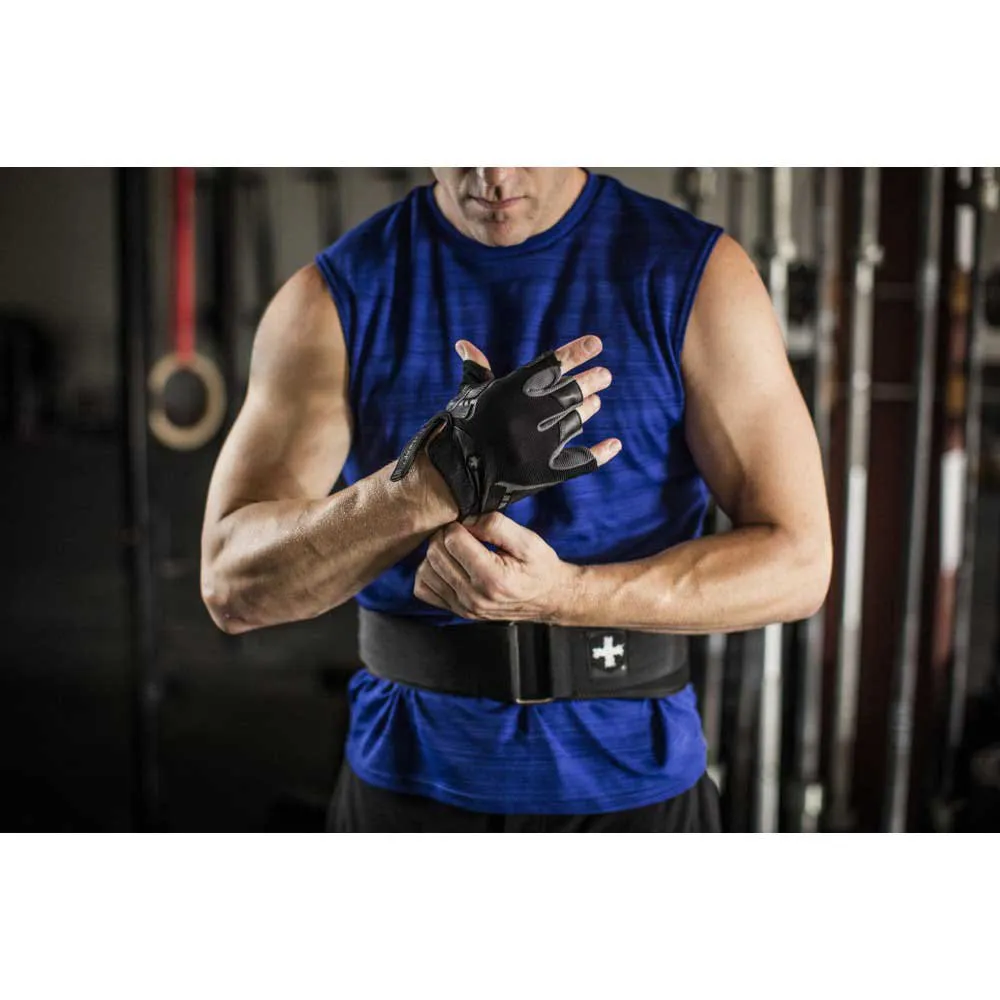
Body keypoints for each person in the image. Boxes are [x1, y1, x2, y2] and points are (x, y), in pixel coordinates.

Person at [200, 167, 833, 833]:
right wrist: (434, 484)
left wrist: (564, 596)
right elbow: (232, 584)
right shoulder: (335, 296)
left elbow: (799, 565)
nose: (494, 174)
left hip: (634, 784)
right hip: (407, 779)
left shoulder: (697, 277)